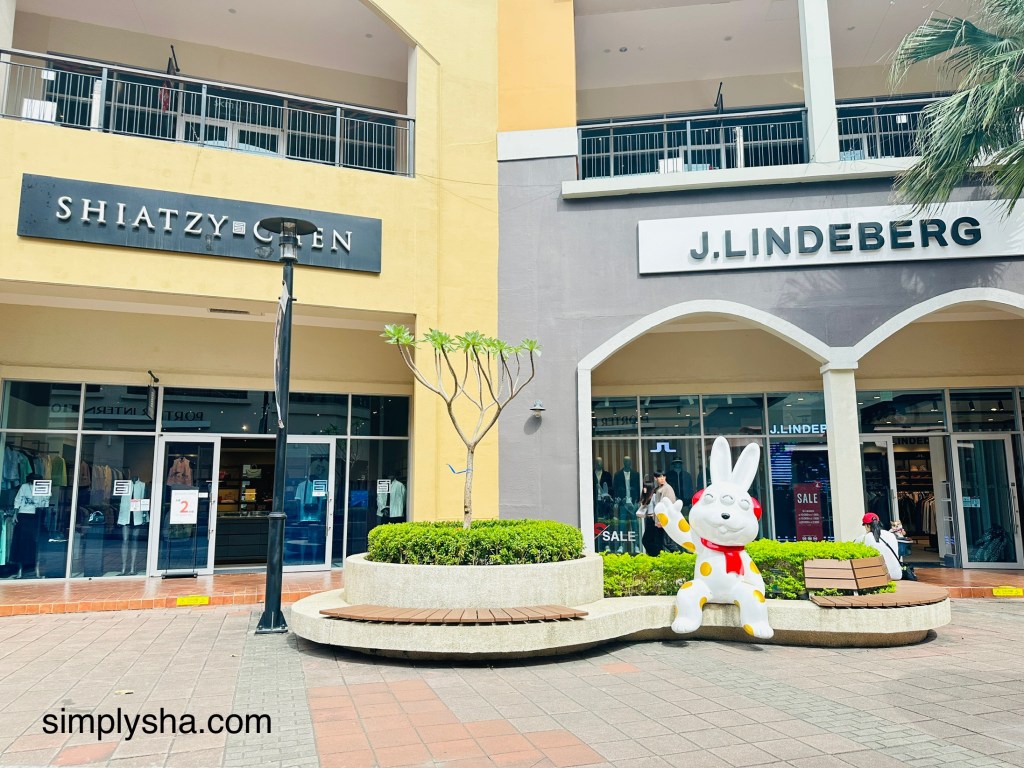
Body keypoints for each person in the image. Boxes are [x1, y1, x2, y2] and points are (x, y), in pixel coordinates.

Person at [853, 512, 902, 581]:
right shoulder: (891, 535)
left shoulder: (865, 537)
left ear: (867, 526)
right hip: (896, 575)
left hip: (877, 576)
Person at [638, 470, 676, 556]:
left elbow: (670, 505)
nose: (662, 479)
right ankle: (657, 558)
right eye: (660, 477)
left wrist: (663, 520)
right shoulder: (657, 489)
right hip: (655, 520)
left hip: (660, 521)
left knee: (656, 542)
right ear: (656, 478)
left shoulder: (667, 488)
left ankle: (659, 558)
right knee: (651, 541)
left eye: (663, 476)